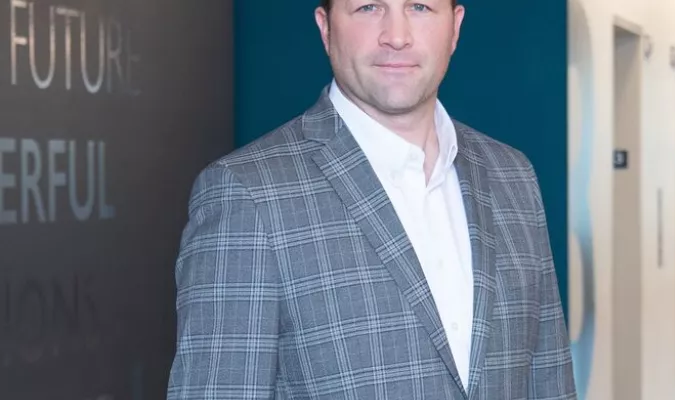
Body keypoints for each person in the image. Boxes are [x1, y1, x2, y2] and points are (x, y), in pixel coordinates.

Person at [166, 0, 577, 398]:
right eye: (368, 8)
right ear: (326, 27)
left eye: (419, 7)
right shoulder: (248, 193)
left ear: (455, 26)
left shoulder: (512, 176)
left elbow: (550, 381)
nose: (396, 36)